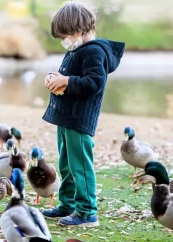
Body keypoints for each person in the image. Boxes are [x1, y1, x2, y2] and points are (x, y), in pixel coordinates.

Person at [41, 2, 125, 227]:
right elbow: (69, 75)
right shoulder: (76, 50)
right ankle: (68, 205)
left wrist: (66, 81)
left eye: (66, 34)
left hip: (79, 119)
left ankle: (87, 212)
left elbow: (95, 82)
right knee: (66, 163)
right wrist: (55, 77)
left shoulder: (93, 51)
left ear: (80, 30)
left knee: (80, 166)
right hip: (65, 117)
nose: (64, 40)